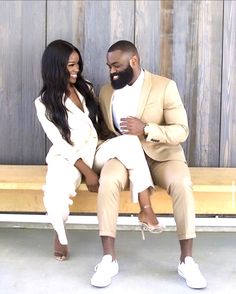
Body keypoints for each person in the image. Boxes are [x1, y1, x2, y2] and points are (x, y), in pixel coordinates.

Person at [90, 40, 207, 289]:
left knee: (182, 183)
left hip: (161, 156)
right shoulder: (105, 91)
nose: (112, 71)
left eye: (117, 65)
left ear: (134, 61)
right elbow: (102, 130)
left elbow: (181, 131)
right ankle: (108, 259)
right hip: (123, 158)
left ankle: (187, 260)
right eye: (109, 66)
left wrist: (147, 129)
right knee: (108, 180)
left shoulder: (164, 86)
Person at [35, 39, 163, 261]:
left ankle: (145, 208)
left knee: (130, 142)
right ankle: (60, 234)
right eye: (71, 66)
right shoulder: (43, 103)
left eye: (77, 64)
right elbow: (61, 143)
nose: (76, 70)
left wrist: (112, 143)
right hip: (68, 159)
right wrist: (88, 173)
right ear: (56, 68)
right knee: (56, 200)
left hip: (94, 150)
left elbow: (97, 125)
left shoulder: (86, 87)